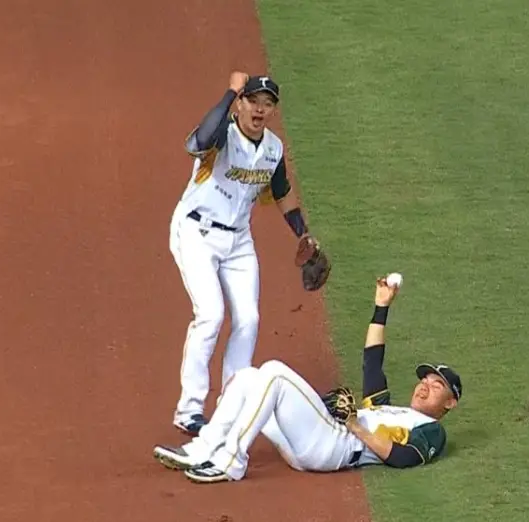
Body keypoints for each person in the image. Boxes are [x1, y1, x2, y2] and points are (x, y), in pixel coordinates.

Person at [152, 275, 463, 483]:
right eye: (425, 380)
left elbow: (405, 458)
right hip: (310, 444)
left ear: (450, 403)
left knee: (274, 372)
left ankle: (231, 462)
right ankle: (202, 449)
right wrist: (382, 306)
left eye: (437, 386)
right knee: (247, 377)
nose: (425, 386)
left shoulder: (431, 431)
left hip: (335, 447)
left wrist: (355, 425)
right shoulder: (386, 407)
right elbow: (372, 362)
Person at [168, 72, 322, 436]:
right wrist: (230, 92)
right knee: (210, 315)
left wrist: (303, 234)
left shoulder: (273, 149)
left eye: (268, 104)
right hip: (196, 232)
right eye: (253, 101)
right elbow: (199, 141)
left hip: (238, 241)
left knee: (249, 320)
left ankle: (231, 406)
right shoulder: (222, 134)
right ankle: (189, 410)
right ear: (240, 103)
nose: (260, 110)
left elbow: (282, 191)